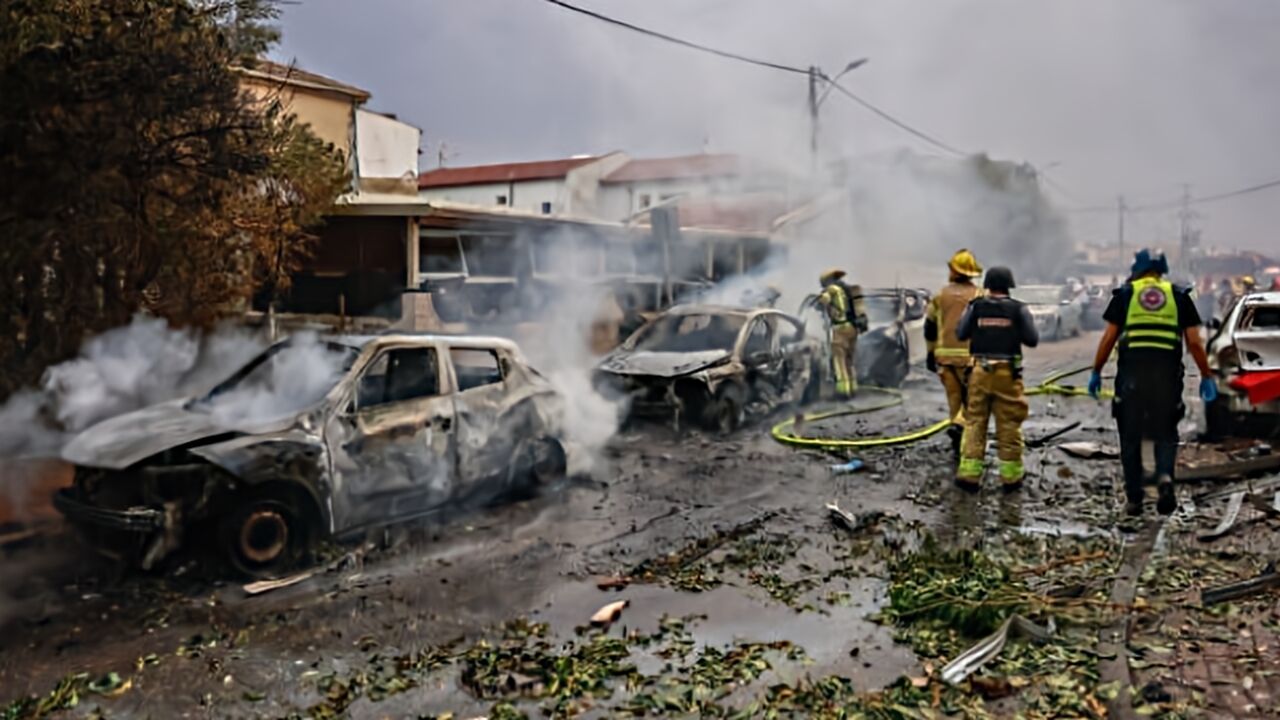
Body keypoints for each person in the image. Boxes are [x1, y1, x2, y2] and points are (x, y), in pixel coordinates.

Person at [1088, 249, 1216, 517]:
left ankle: (1135, 499)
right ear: (1161, 270)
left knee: (1131, 436)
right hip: (1167, 377)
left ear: (1139, 269)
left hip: (1132, 377)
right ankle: (1165, 479)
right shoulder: (1179, 296)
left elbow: (1109, 338)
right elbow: (1194, 342)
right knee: (1166, 431)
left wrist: (1096, 372)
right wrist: (1206, 375)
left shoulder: (1125, 294)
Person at [954, 266, 1040, 491]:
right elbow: (1032, 339)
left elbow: (961, 333)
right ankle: (1011, 478)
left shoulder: (974, 307)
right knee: (1009, 423)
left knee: (974, 421)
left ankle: (969, 475)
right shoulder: (1019, 309)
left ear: (988, 285)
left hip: (979, 372)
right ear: (1009, 285)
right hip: (1007, 374)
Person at [925, 249, 984, 456]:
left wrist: (930, 354)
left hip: (944, 359)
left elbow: (930, 327)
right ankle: (965, 440)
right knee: (971, 403)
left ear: (954, 271)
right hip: (970, 360)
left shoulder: (940, 296)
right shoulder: (979, 295)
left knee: (954, 400)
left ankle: (957, 444)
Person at [817, 268, 865, 397]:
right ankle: (853, 389)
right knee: (849, 361)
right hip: (852, 328)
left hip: (840, 329)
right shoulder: (848, 290)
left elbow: (822, 301)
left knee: (839, 362)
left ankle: (843, 392)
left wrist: (820, 302)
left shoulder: (832, 290)